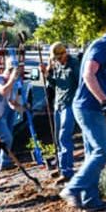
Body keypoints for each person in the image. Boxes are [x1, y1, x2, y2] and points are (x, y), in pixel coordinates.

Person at [60, 16, 106, 212]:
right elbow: (88, 74)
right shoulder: (103, 45)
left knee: (92, 153)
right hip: (89, 106)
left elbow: (99, 75)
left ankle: (90, 200)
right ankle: (72, 188)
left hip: (87, 105)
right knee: (103, 151)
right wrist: (104, 101)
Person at [45, 42, 80, 184]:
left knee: (64, 137)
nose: (57, 61)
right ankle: (61, 167)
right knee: (57, 138)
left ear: (64, 54)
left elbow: (80, 84)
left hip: (69, 105)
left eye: (58, 58)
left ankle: (67, 171)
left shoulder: (75, 65)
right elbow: (55, 84)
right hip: (58, 105)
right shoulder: (57, 65)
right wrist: (47, 75)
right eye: (55, 59)